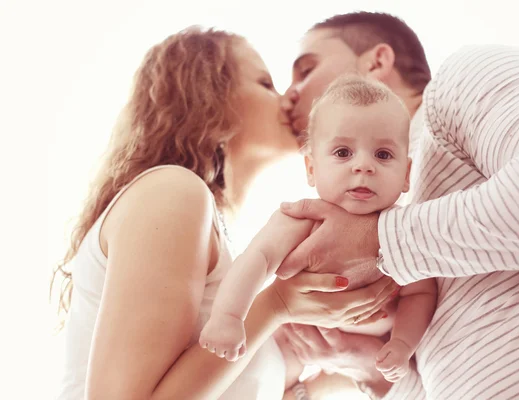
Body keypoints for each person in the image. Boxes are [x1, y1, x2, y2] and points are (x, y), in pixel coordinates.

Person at [50, 25, 398, 400]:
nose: (288, 99)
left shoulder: (227, 263)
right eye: (266, 84)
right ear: (208, 97)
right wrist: (278, 305)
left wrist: (348, 362)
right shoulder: (172, 192)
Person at [279, 11, 519, 400]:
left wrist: (378, 241)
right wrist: (370, 367)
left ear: (376, 62)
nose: (287, 95)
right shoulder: (383, 208)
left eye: (306, 69)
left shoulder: (459, 83)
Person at [199, 76, 437, 383]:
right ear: (311, 169)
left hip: (364, 353)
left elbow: (421, 291)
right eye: (342, 153)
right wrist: (228, 317)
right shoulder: (301, 220)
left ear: (406, 174)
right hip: (296, 341)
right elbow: (256, 260)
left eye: (383, 155)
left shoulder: (403, 231)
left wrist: (403, 343)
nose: (363, 166)